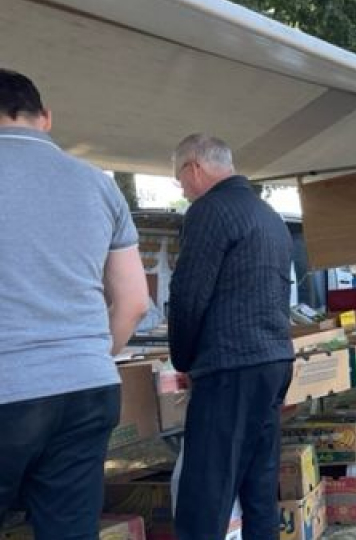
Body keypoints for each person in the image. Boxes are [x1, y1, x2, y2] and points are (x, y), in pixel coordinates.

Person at [0, 69, 149, 538]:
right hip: (88, 387)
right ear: (45, 117)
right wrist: (85, 353)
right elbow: (133, 302)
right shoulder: (99, 184)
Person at [169, 134, 296, 539]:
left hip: (230, 365)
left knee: (204, 496)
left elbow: (188, 295)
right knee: (259, 491)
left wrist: (183, 360)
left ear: (195, 168)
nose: (183, 190)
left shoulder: (209, 211)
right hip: (273, 359)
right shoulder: (267, 213)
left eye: (180, 180)